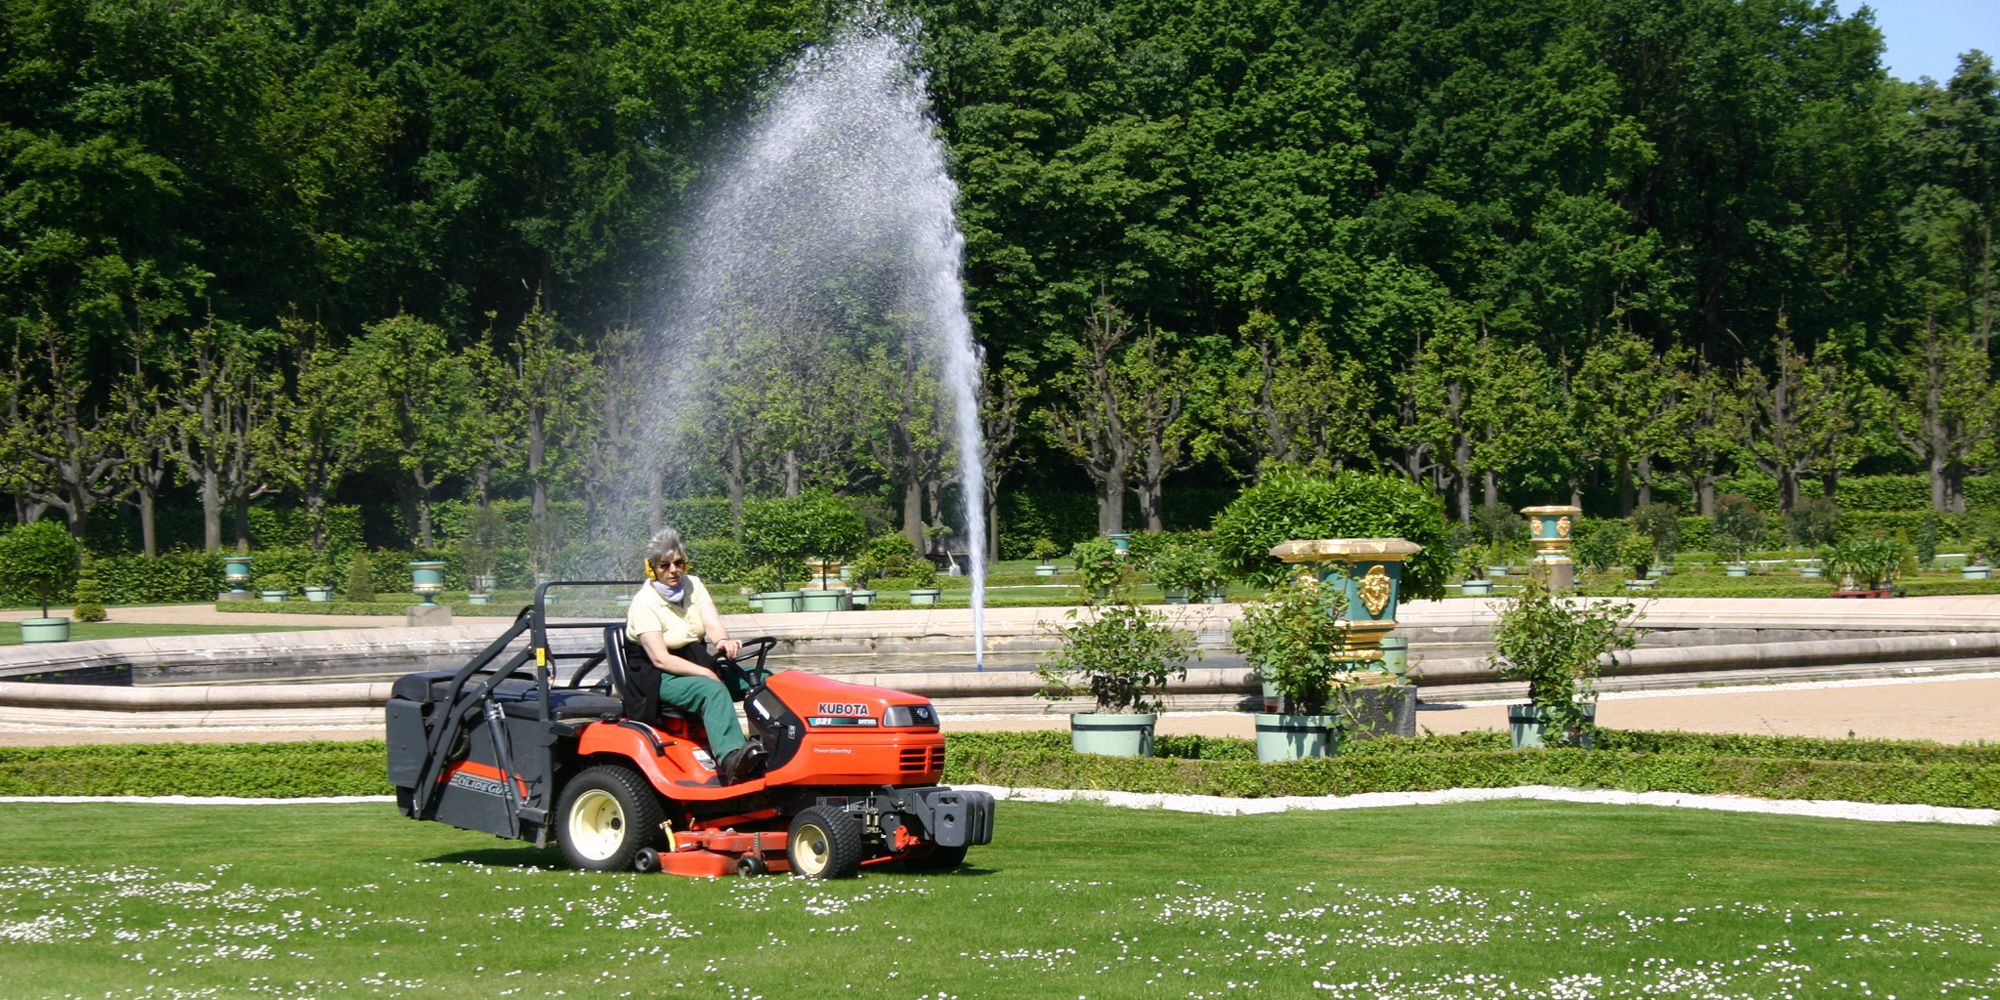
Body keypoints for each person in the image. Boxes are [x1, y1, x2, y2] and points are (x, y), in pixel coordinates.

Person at [626, 528, 763, 782]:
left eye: (678, 563)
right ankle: (732, 758)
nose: (673, 570)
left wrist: (723, 640)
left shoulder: (694, 585)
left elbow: (712, 623)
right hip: (658, 676)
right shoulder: (644, 603)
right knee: (712, 690)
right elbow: (660, 658)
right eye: (664, 565)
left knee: (762, 681)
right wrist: (706, 672)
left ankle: (769, 744)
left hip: (695, 660)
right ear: (652, 569)